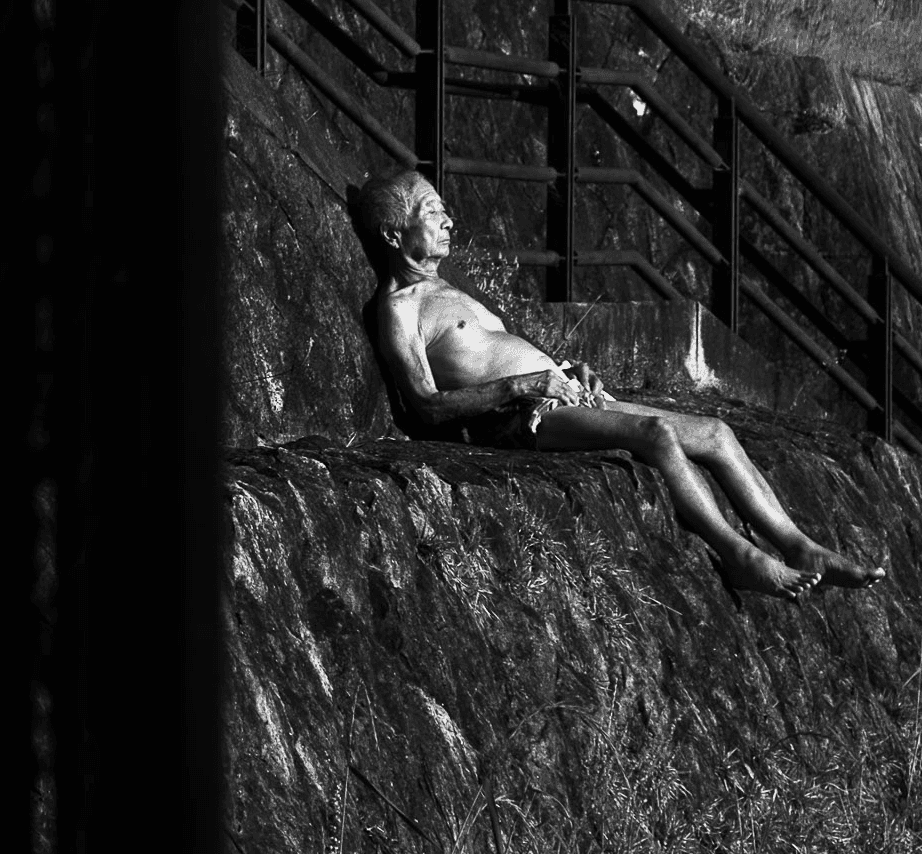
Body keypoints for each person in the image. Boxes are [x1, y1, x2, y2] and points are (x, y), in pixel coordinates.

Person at [348, 169, 886, 599]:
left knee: (717, 432)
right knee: (655, 434)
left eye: (443, 207)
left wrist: (562, 372)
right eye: (432, 210)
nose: (448, 219)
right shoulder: (400, 308)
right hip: (519, 418)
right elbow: (424, 407)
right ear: (395, 234)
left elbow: (493, 354)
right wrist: (519, 388)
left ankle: (799, 545)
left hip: (557, 394)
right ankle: (738, 555)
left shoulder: (447, 290)